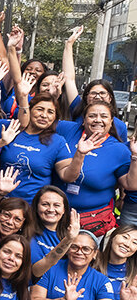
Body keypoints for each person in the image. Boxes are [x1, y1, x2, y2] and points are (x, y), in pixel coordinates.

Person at [56, 101, 137, 236]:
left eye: (104, 116)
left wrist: (135, 156)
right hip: (54, 214)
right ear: (83, 120)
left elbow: (131, 184)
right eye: (92, 116)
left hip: (91, 223)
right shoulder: (68, 131)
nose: (98, 120)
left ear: (111, 122)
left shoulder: (119, 150)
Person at [0, 93, 84, 203]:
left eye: (50, 112)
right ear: (30, 110)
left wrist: (80, 154)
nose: (44, 115)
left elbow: (68, 176)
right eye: (39, 109)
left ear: (55, 117)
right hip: (1, 201)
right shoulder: (11, 130)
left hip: (32, 207)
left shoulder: (57, 142)